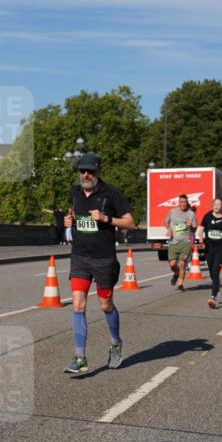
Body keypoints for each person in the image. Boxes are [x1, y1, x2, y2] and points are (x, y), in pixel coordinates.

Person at [61, 152, 136, 373]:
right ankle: (80, 357)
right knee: (77, 304)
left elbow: (131, 223)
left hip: (104, 259)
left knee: (105, 305)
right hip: (80, 257)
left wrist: (106, 219)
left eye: (90, 171)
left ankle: (115, 343)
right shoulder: (75, 192)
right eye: (82, 171)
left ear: (98, 171)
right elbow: (74, 214)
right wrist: (69, 220)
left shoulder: (111, 194)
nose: (86, 175)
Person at [200, 197, 222, 308]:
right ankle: (217, 287)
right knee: (211, 271)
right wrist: (200, 237)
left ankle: (213, 297)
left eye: (219, 204)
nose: (217, 206)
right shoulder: (207, 216)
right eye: (215, 204)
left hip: (220, 248)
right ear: (212, 205)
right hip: (209, 247)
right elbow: (201, 228)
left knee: (216, 272)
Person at [164, 193, 197, 292]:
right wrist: (169, 229)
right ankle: (176, 273)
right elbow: (165, 221)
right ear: (178, 203)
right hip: (174, 242)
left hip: (186, 242)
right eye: (181, 202)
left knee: (182, 263)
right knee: (172, 264)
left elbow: (195, 229)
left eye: (185, 202)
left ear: (187, 203)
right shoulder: (172, 212)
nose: (183, 204)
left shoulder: (191, 214)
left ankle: (180, 284)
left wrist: (191, 226)